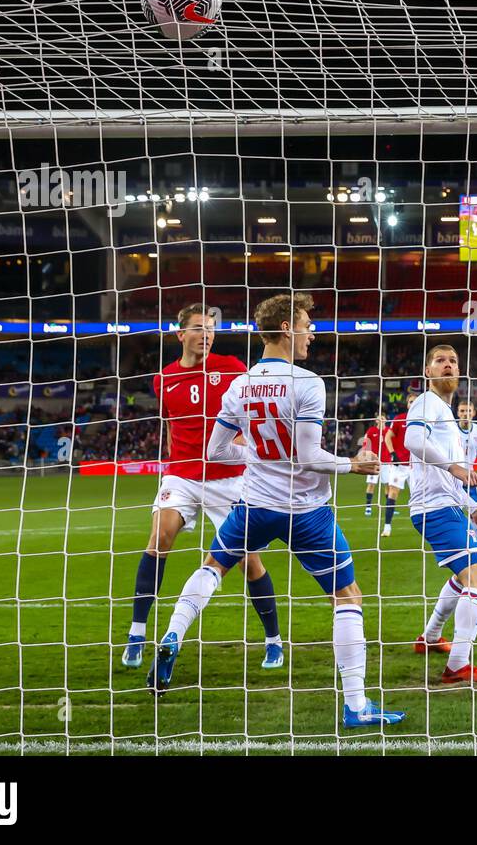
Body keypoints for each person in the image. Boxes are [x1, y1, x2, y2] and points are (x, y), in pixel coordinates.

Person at [147, 292, 404, 727]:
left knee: (213, 566)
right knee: (347, 597)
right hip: (307, 510)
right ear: (286, 327)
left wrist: (259, 457)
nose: (311, 332)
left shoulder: (239, 385)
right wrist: (351, 463)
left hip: (255, 505)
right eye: (306, 324)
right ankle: (357, 705)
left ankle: (173, 633)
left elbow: (216, 448)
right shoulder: (307, 382)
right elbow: (307, 457)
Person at [123, 304, 281, 671]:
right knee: (159, 538)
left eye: (210, 328)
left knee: (248, 561)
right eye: (198, 328)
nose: (205, 334)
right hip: (182, 476)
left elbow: (249, 414)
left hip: (230, 478)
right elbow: (170, 427)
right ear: (181, 335)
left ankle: (273, 640)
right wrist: (170, 463)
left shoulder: (233, 369)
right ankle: (136, 633)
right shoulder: (164, 380)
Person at [404, 345, 477, 683]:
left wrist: (473, 508)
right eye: (440, 361)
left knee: (464, 577)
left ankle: (429, 638)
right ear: (428, 371)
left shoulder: (445, 412)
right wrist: (455, 467)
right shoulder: (426, 402)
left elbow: (447, 477)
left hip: (446, 505)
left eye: (453, 362)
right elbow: (412, 439)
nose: (447, 366)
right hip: (434, 508)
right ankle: (458, 666)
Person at [383, 393, 417, 537]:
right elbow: (387, 437)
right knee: (393, 493)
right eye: (410, 401)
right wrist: (392, 453)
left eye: (415, 402)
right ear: (407, 404)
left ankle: (425, 527)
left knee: (418, 496)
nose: (413, 404)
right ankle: (387, 527)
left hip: (415, 466)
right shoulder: (399, 419)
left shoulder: (423, 421)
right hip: (399, 465)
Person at [359, 413, 395, 517]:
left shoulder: (389, 431)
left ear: (386, 420)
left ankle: (388, 507)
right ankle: (368, 507)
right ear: (376, 420)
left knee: (388, 484)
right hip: (374, 461)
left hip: (387, 462)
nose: (381, 420)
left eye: (383, 418)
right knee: (371, 484)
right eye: (379, 419)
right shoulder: (371, 431)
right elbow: (365, 444)